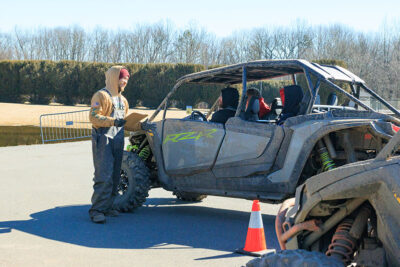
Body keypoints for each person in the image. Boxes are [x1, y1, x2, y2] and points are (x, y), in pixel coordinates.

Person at [88, 66, 130, 223]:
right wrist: (113, 121)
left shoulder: (123, 100)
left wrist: (140, 125)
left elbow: (125, 119)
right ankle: (97, 210)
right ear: (114, 78)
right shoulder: (101, 96)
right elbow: (93, 117)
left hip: (118, 139)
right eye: (122, 78)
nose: (125, 82)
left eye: (126, 79)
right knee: (103, 175)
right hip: (103, 138)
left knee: (115, 175)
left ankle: (109, 206)